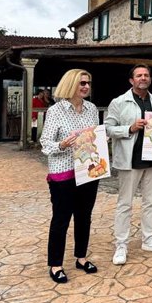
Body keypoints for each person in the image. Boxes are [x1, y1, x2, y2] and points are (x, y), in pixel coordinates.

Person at [105, 64, 152, 265]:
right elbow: (108, 129)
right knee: (125, 204)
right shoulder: (119, 102)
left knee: (150, 202)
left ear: (150, 79)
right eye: (139, 75)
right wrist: (130, 128)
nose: (143, 78)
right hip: (129, 159)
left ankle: (149, 239)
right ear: (132, 80)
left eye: (146, 75)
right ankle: (121, 244)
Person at [40, 69, 99, 283]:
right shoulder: (56, 110)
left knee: (84, 217)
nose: (85, 86)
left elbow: (93, 135)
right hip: (63, 173)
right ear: (71, 84)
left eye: (88, 83)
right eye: (81, 83)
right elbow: (45, 144)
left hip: (89, 170)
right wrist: (63, 144)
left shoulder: (91, 109)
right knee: (61, 219)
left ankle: (81, 258)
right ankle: (55, 264)